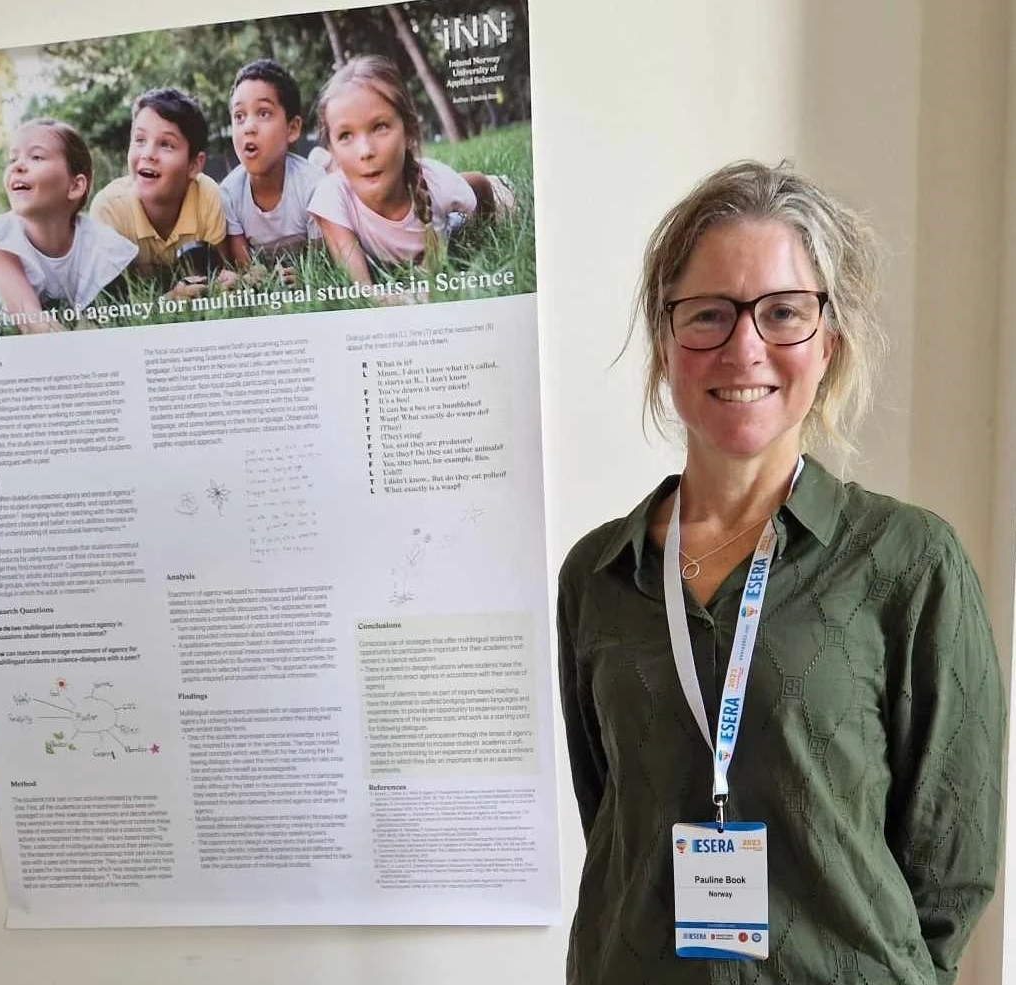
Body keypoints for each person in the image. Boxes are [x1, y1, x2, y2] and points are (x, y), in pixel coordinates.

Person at [557, 160, 1004, 985]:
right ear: (666, 342)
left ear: (828, 341)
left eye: (783, 312)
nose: (744, 347)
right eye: (709, 314)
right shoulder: (600, 575)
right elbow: (612, 820)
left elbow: (953, 860)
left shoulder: (909, 561)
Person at [308, 54, 514, 287]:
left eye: (380, 127)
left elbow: (479, 184)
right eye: (346, 136)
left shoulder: (438, 183)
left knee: (492, 203)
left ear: (408, 132)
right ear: (332, 150)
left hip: (451, 223)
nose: (365, 151)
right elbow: (363, 293)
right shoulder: (331, 198)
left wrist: (487, 229)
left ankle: (501, 184)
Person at [0, 119, 136, 333]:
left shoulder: (98, 242)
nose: (17, 166)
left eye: (36, 157)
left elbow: (110, 315)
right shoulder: (2, 237)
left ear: (75, 185)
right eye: (12, 159)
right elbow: (32, 321)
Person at [90, 87, 227, 281]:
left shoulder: (207, 196)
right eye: (140, 140)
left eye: (166, 144)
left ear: (194, 165)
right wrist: (169, 296)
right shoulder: (109, 210)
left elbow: (219, 272)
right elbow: (109, 295)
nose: (147, 154)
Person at [220, 58, 325, 268]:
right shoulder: (229, 194)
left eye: (263, 113)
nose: (249, 127)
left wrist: (301, 276)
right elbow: (245, 269)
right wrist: (253, 275)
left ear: (292, 129)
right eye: (239, 116)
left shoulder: (313, 184)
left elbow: (321, 263)